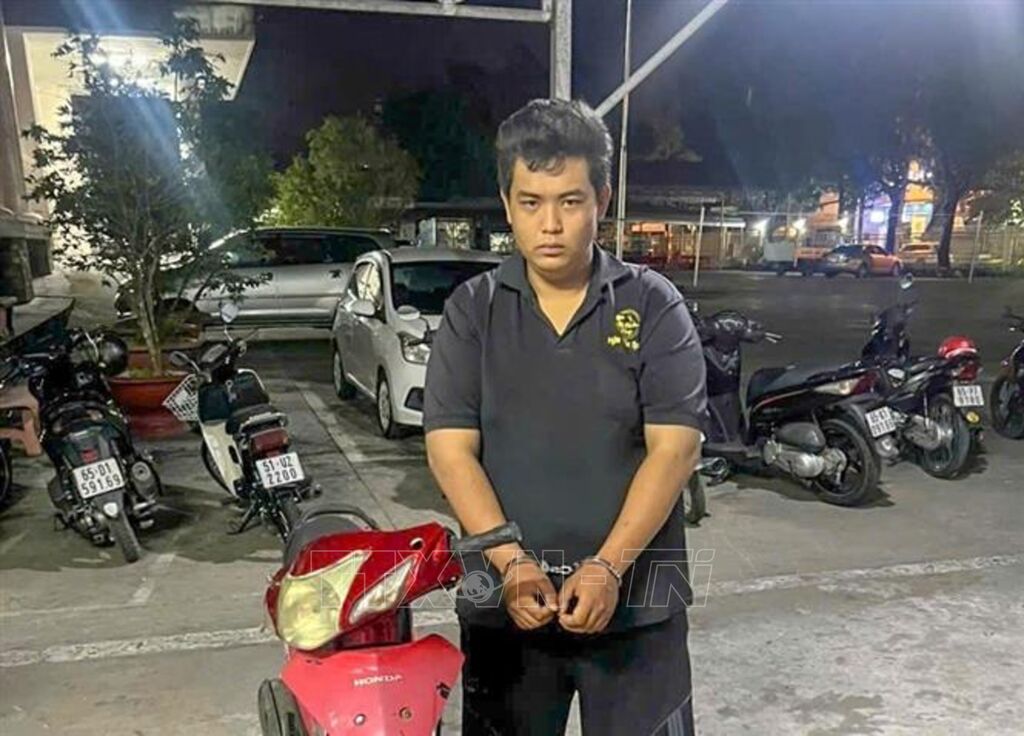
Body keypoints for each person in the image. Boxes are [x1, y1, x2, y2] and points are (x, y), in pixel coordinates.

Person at [423, 98, 707, 736]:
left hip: (639, 609)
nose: (549, 224)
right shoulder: (473, 311)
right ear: (507, 204)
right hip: (506, 610)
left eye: (570, 201)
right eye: (531, 202)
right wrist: (510, 562)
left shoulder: (652, 304)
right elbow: (450, 451)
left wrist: (608, 566)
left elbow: (675, 449)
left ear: (601, 200)